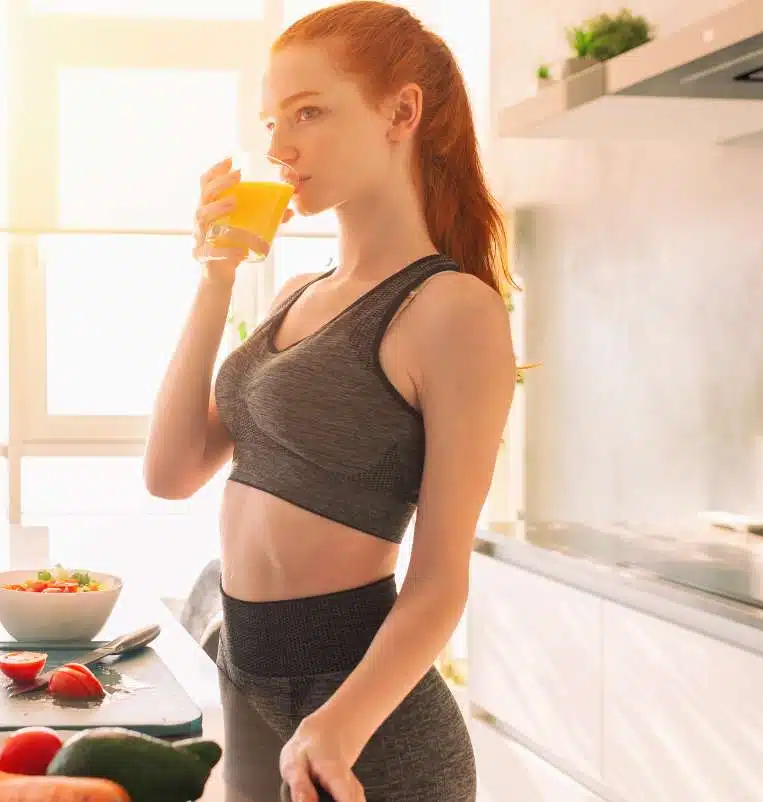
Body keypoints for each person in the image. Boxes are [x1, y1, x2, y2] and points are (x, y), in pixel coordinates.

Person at [144, 2, 516, 800]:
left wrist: (337, 727)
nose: (279, 147)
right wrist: (214, 280)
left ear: (401, 112)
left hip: (362, 726)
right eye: (273, 120)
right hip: (249, 684)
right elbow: (171, 472)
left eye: (308, 113)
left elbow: (441, 578)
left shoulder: (453, 310)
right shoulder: (296, 292)